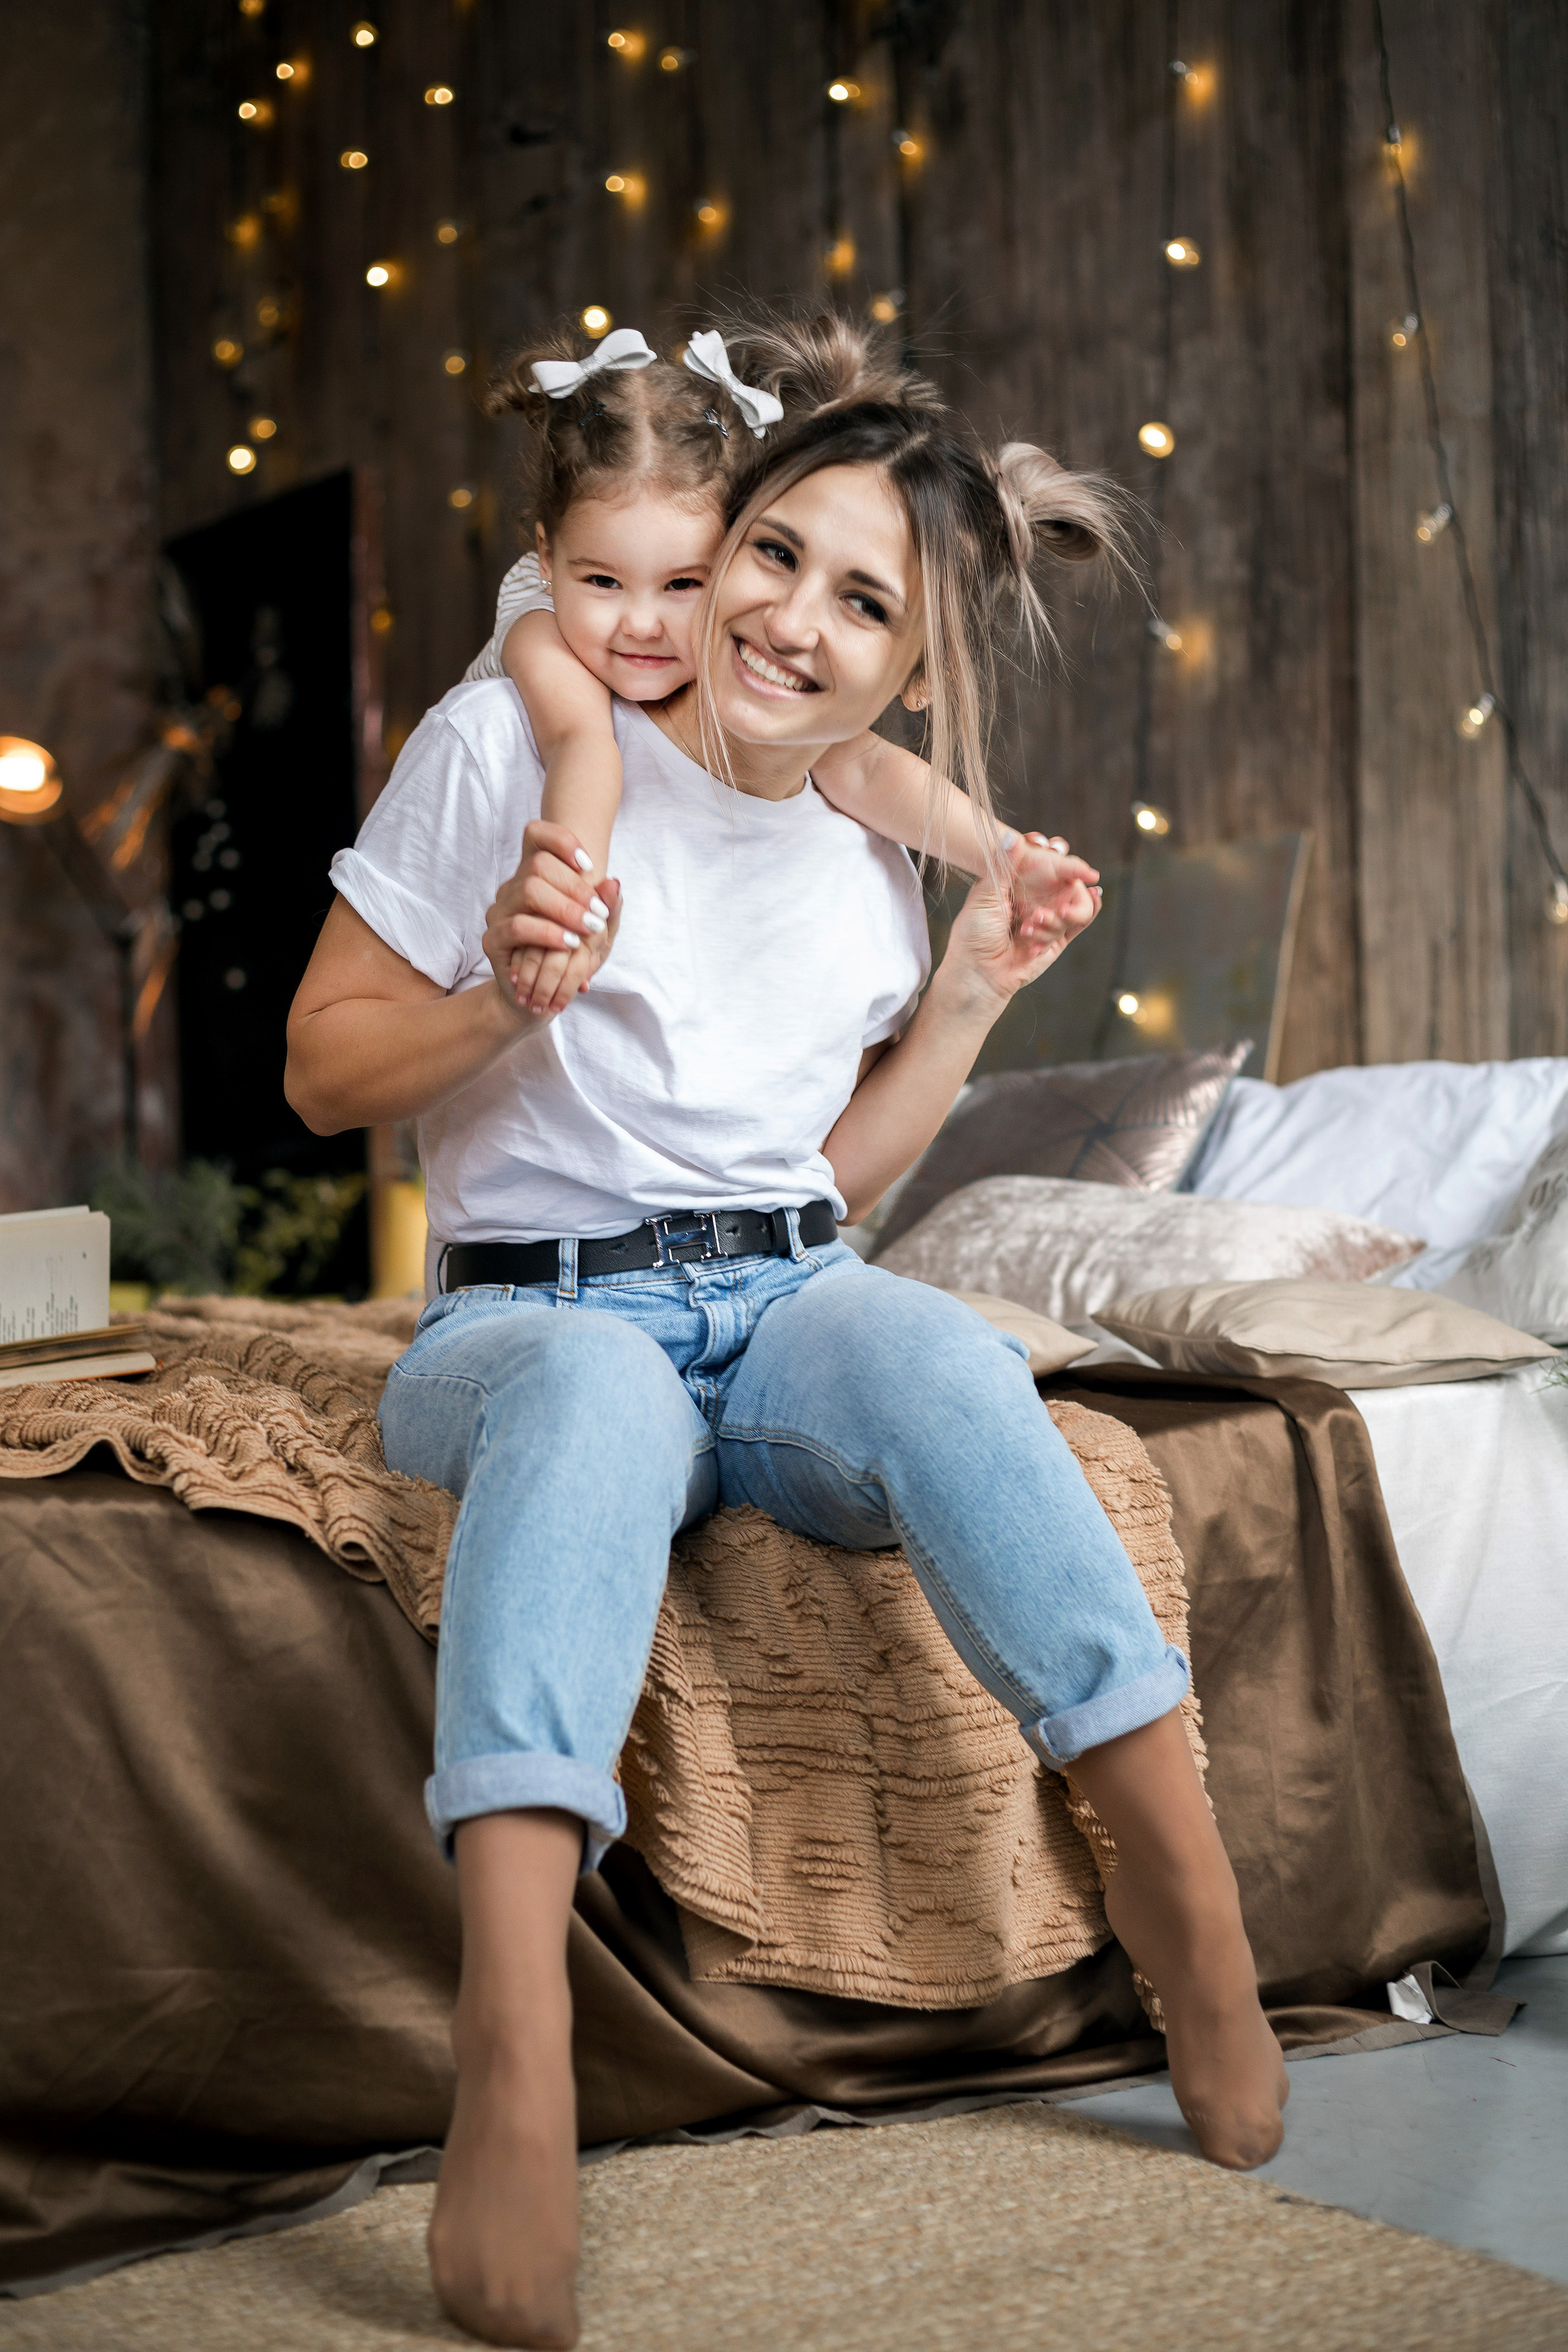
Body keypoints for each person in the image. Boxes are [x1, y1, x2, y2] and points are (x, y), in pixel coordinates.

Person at [284, 316, 1287, 2351]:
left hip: (782, 1296)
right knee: (585, 1385)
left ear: (909, 671)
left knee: (931, 1357)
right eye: (778, 555)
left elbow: (833, 1188)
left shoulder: (859, 844)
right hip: (534, 1311)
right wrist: (501, 997)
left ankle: (1194, 1914)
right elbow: (319, 1073)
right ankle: (516, 2049)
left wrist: (977, 994)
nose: (789, 623)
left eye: (864, 606)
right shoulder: (511, 738)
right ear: (717, 528)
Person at [462, 319, 1100, 1017]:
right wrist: (569, 908)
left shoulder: (858, 877)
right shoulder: (536, 652)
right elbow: (582, 747)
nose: (643, 625)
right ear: (548, 560)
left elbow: (862, 767)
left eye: (682, 584)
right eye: (777, 554)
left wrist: (1006, 856)